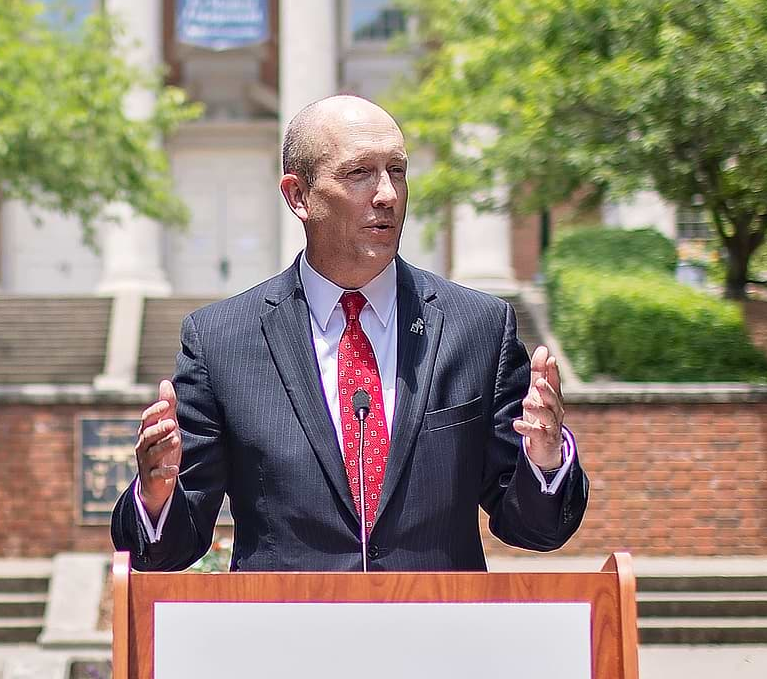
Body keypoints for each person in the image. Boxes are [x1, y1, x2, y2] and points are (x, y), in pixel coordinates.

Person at [111, 95, 586, 572]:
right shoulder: (222, 342)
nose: (387, 194)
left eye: (397, 171)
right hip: (288, 634)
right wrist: (156, 497)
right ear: (298, 196)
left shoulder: (479, 329)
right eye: (359, 173)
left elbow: (536, 528)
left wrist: (544, 462)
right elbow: (168, 550)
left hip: (437, 633)